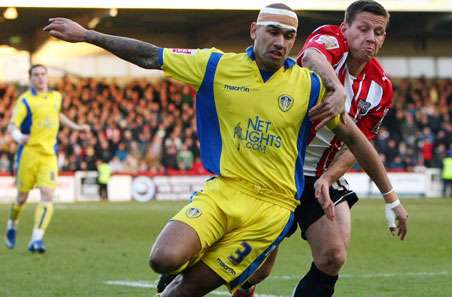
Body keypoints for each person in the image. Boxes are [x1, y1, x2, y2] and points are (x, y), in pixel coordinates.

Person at [44, 3, 405, 296]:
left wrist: (390, 197)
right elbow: (152, 56)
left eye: (288, 36)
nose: (280, 42)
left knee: (325, 257)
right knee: (164, 260)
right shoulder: (218, 66)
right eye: (273, 32)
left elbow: (358, 140)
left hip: (279, 200)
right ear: (254, 31)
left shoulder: (311, 87)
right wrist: (88, 35)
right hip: (228, 188)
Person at [234, 1, 408, 297]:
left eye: (378, 32)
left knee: (333, 257)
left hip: (322, 175)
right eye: (363, 29)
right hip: (280, 170)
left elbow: (359, 144)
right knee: (259, 268)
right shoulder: (328, 40)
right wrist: (336, 88)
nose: (371, 37)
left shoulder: (381, 87)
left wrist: (330, 177)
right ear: (345, 29)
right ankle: (228, 283)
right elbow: (312, 55)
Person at [5, 64, 90, 253]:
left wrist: (77, 127)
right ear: (30, 79)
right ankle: (12, 223)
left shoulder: (56, 97)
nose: (40, 78)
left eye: (43, 74)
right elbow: (12, 126)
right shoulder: (25, 101)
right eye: (36, 75)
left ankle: (37, 239)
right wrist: (20, 137)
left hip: (49, 155)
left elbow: (57, 115)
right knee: (21, 197)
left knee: (48, 195)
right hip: (28, 154)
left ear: (47, 77)